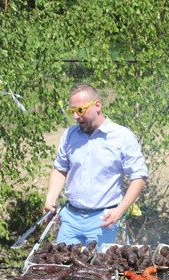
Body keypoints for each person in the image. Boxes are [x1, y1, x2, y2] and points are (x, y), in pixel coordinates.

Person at [43, 83, 148, 247]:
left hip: (103, 220)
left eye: (80, 110)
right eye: (72, 112)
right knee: (62, 267)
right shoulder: (70, 135)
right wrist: (50, 199)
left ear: (97, 105)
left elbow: (139, 176)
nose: (76, 117)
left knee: (98, 269)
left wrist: (120, 211)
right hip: (70, 218)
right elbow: (60, 169)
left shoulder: (122, 137)